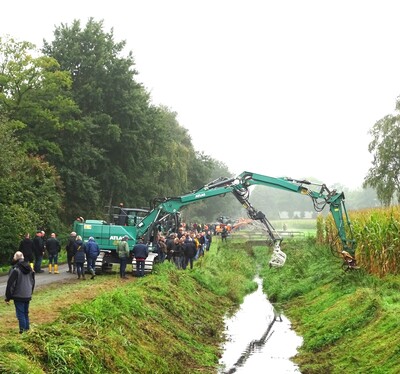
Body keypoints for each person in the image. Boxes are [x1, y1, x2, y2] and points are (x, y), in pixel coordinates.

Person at [5, 251, 35, 333]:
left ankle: (23, 331)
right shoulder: (30, 268)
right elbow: (33, 282)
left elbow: (11, 284)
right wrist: (30, 292)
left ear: (15, 258)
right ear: (23, 257)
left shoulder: (15, 269)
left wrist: (8, 297)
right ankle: (27, 330)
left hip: (18, 295)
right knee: (25, 313)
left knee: (20, 314)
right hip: (27, 294)